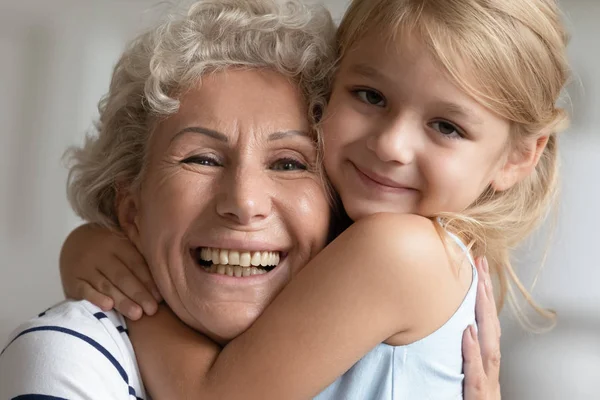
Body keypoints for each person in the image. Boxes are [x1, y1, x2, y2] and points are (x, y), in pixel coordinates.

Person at [59, 0, 569, 398]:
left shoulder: (399, 249)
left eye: (446, 126)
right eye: (370, 96)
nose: (391, 145)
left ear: (518, 157)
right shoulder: (356, 244)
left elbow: (209, 394)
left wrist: (127, 292)